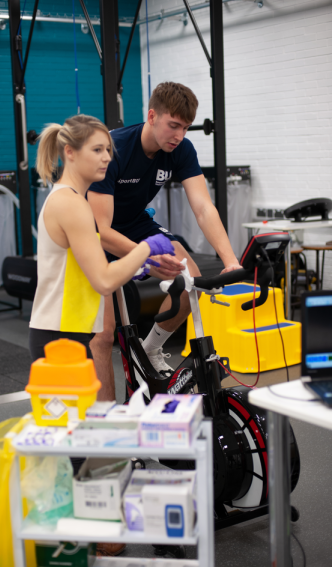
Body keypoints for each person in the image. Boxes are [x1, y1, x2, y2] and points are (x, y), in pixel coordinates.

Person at [88, 82, 241, 400]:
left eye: (185, 128)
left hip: (135, 224)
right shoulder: (113, 149)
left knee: (191, 282)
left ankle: (150, 350)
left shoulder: (181, 150)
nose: (179, 135)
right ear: (152, 115)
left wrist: (230, 261)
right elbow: (101, 230)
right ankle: (107, 422)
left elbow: (202, 206)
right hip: (92, 235)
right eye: (173, 125)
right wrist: (148, 256)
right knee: (103, 336)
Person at [29, 113, 174, 364]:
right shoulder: (70, 204)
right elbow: (104, 281)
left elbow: (93, 268)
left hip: (69, 333)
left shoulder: (73, 200)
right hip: (58, 338)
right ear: (70, 152)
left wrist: (138, 267)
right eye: (97, 149)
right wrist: (146, 248)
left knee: (86, 404)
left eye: (108, 149)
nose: (107, 157)